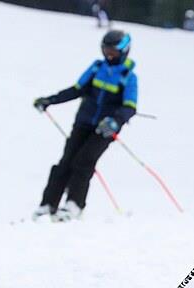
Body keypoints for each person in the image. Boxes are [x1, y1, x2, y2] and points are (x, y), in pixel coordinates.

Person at [31, 30, 138, 221]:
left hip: (104, 129)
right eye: (106, 50)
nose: (108, 55)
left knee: (84, 162)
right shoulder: (97, 68)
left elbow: (130, 107)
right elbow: (77, 90)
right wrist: (50, 100)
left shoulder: (128, 77)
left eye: (113, 51)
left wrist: (115, 121)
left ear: (124, 51)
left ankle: (74, 205)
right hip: (83, 122)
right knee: (66, 162)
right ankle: (48, 205)